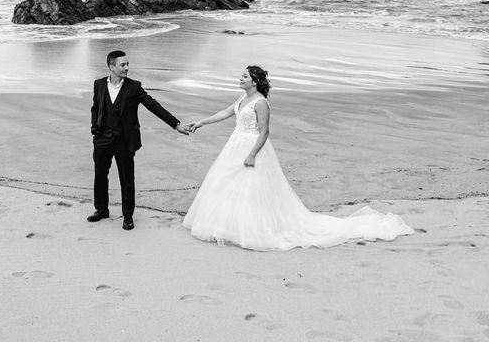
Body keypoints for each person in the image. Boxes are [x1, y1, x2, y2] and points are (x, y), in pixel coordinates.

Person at [183, 65, 414, 251]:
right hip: (234, 144)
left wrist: (252, 153)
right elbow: (226, 113)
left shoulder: (260, 103)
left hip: (250, 147)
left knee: (251, 189)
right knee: (228, 185)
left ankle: (253, 231)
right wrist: (201, 122)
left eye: (245, 76)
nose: (240, 78)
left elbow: (264, 132)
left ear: (254, 81)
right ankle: (228, 226)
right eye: (241, 75)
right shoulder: (242, 98)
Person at [90, 50, 190, 230]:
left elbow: (154, 106)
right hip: (102, 139)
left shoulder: (134, 87)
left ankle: (127, 216)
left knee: (127, 179)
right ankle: (102, 210)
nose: (127, 68)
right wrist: (95, 129)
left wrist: (176, 124)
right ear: (111, 67)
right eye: (123, 65)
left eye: (128, 64)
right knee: (100, 176)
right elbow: (95, 108)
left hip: (125, 140)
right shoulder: (98, 85)